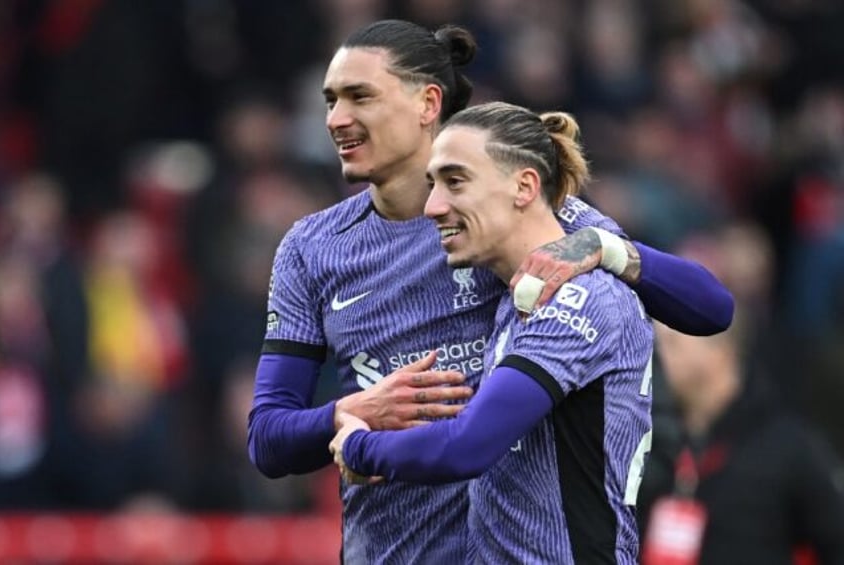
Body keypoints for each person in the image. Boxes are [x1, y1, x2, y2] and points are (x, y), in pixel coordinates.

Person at [248, 19, 732, 564]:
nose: (336, 119)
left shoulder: (511, 216)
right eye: (330, 100)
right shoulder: (311, 248)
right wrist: (350, 414)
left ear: (427, 103)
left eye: (359, 97)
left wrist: (607, 246)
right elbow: (267, 437)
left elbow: (710, 306)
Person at [329, 101, 653, 564]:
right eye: (432, 185)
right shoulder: (512, 296)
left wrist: (361, 446)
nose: (433, 207)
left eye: (455, 182)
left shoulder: (580, 299)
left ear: (523, 187)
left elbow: (469, 445)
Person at [638, 320, 844, 565]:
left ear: (720, 351)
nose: (654, 357)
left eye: (672, 343)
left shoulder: (787, 448)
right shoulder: (651, 438)